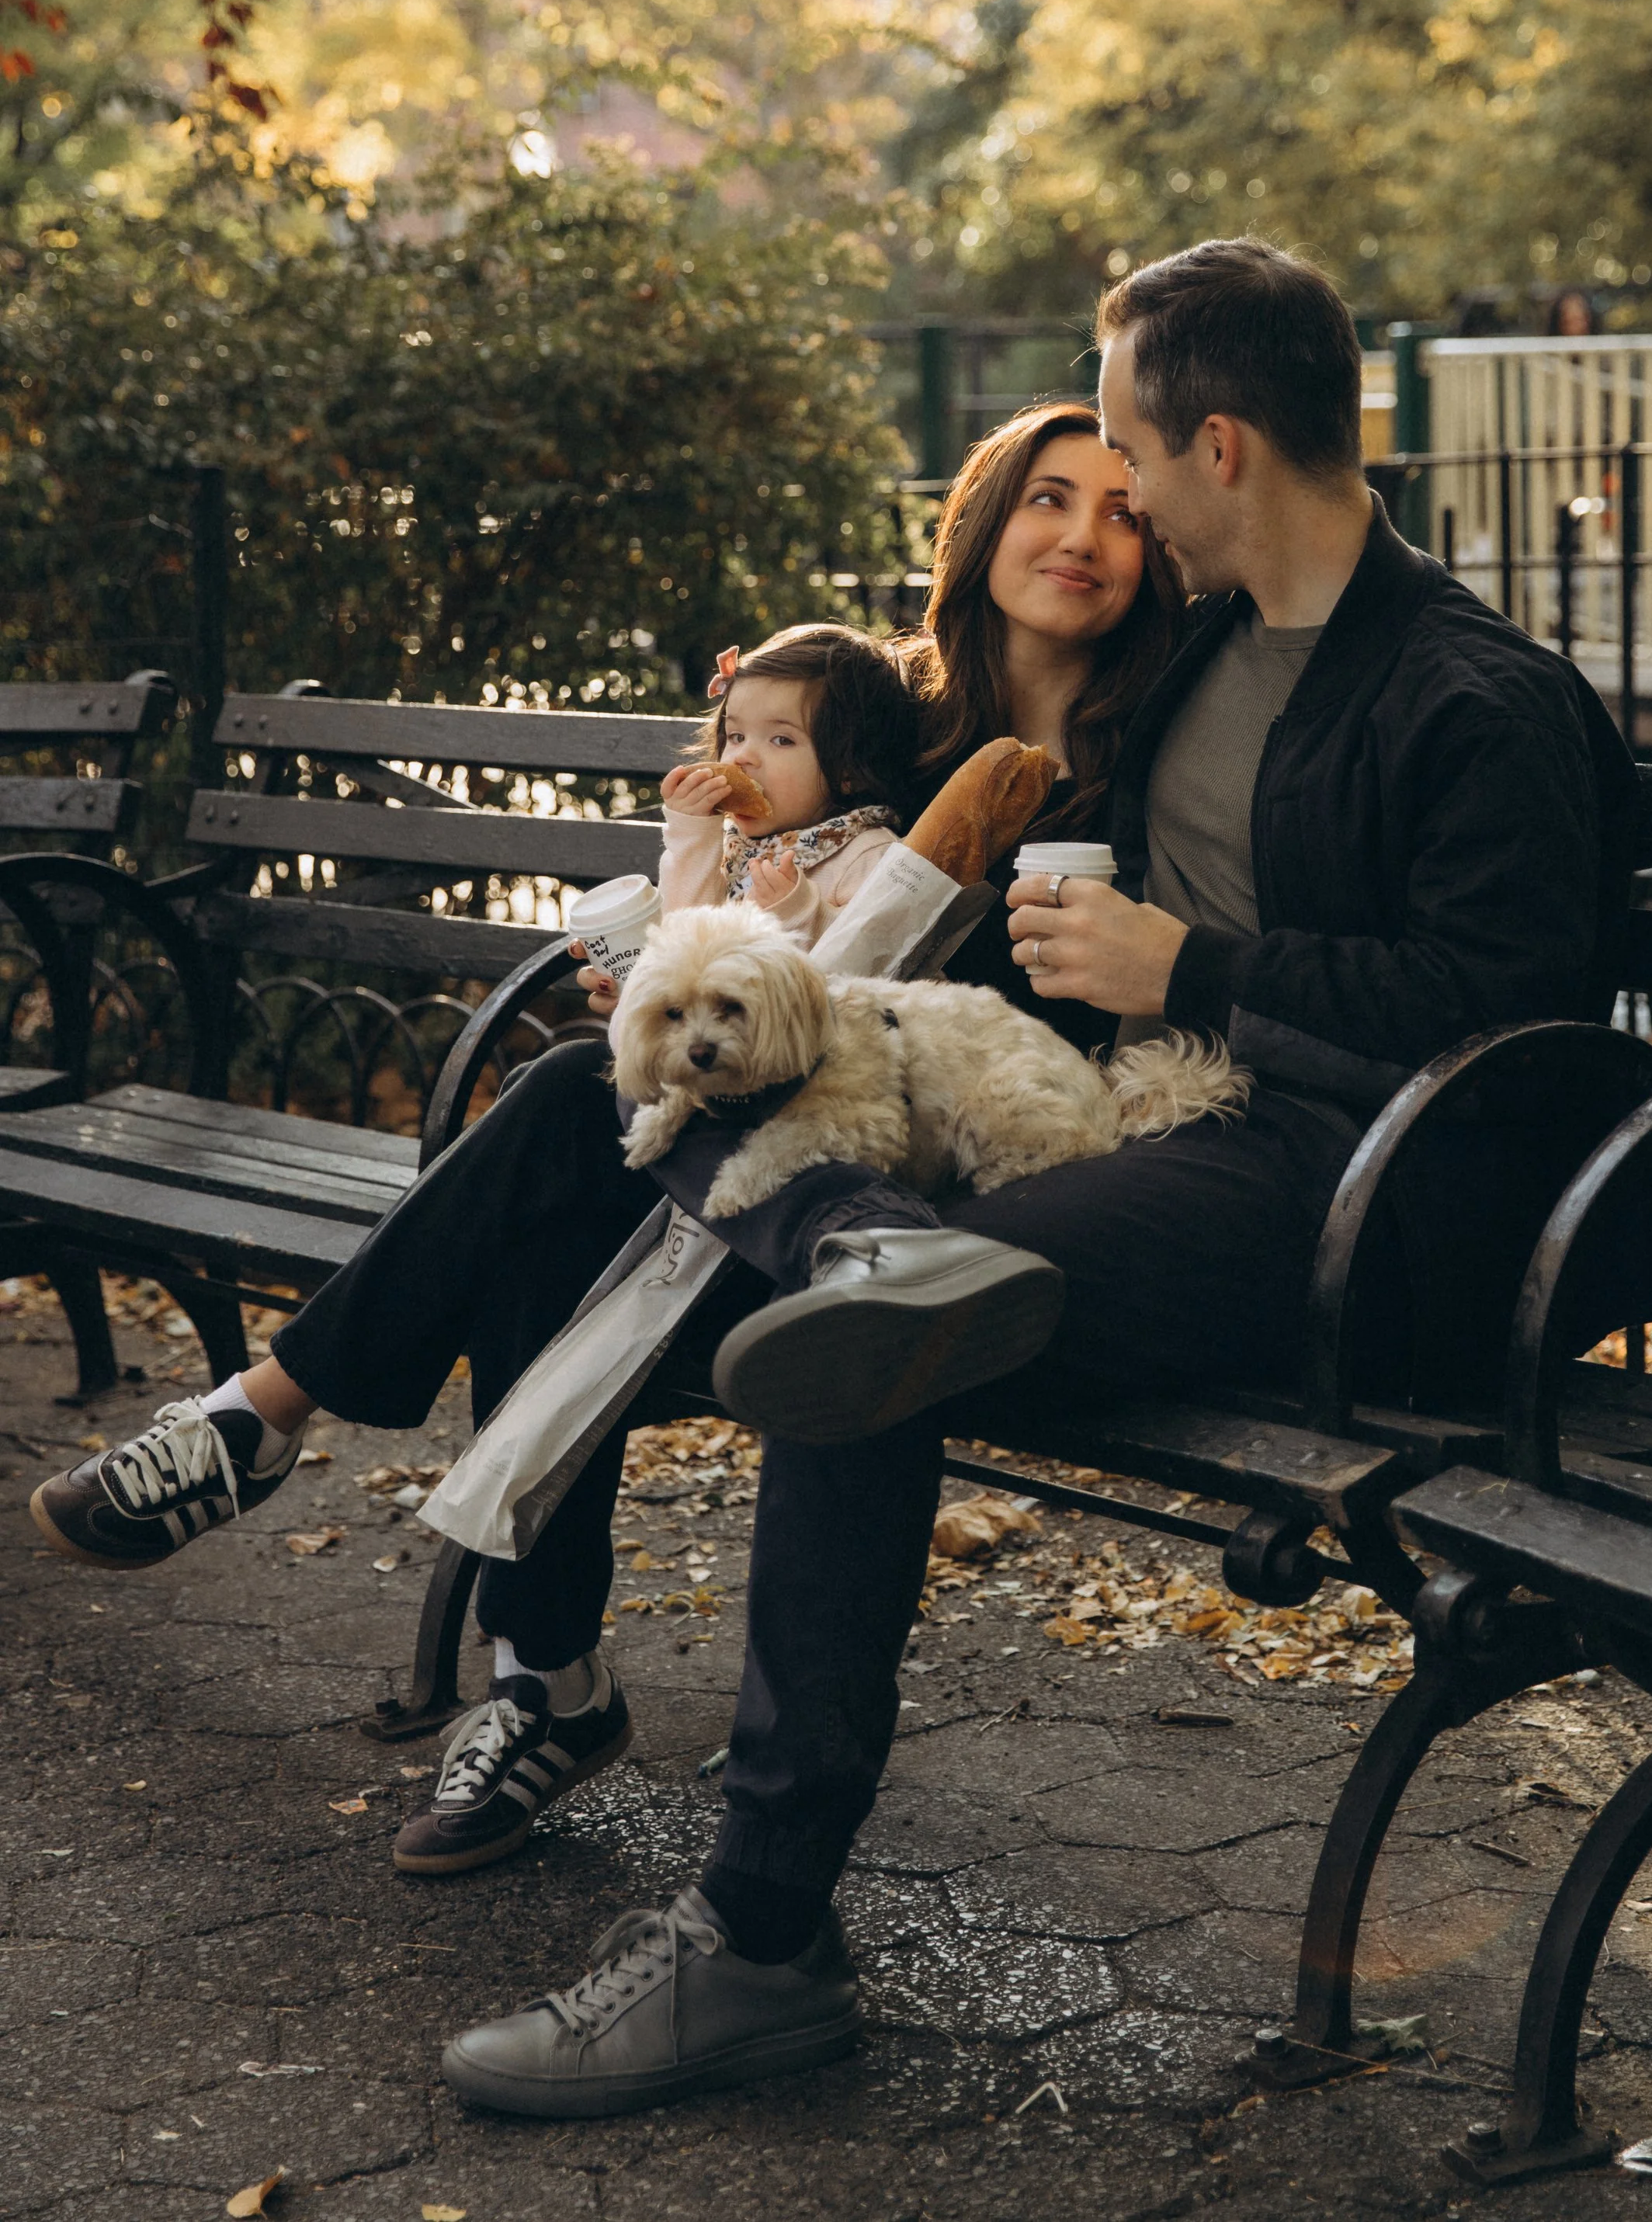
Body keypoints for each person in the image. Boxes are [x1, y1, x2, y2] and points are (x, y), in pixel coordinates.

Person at [428, 236, 1652, 2123]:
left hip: (1373, 1198)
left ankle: (757, 1942)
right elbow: (963, 740)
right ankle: (678, 1622)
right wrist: (773, 779)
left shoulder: (1466, 694)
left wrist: (1188, 966)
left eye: (1126, 451)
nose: (1112, 494)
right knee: (741, 1195)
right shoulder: (1203, 651)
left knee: (865, 1339)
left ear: (1217, 445)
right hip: (1154, 1134)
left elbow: (1511, 1016)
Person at [27, 401, 1181, 1887]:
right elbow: (742, 836)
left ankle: (304, 1446)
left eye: (1121, 509)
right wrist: (679, 952)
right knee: (554, 1193)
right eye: (1047, 497)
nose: (1082, 536)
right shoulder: (885, 709)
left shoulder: (1138, 757)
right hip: (744, 1130)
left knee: (575, 1111)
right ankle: (536, 1676)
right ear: (982, 521)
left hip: (906, 1202)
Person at [656, 623, 919, 946]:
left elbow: (880, 960)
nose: (742, 757)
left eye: (782, 740)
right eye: (736, 736)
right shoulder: (729, 845)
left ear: (850, 773)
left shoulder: (866, 855)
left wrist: (804, 914)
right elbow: (681, 943)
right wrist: (692, 837)